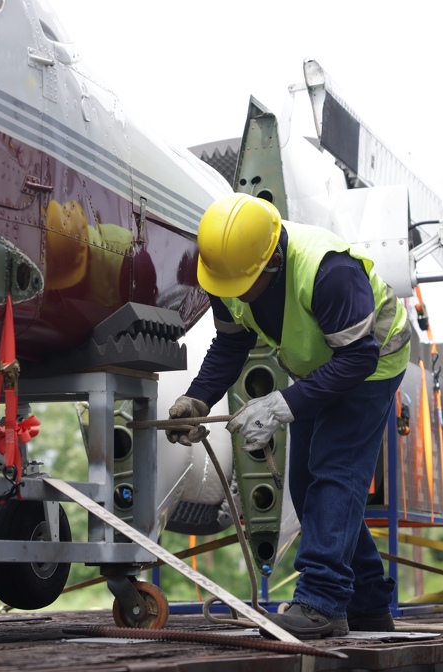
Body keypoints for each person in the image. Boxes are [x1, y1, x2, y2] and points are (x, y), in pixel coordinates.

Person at [167, 193, 411, 639]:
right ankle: (369, 603)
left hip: (372, 366)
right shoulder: (229, 273)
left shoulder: (329, 271)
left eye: (242, 283)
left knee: (335, 475)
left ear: (273, 261)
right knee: (304, 486)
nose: (232, 293)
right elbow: (229, 344)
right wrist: (198, 399)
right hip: (322, 368)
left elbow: (357, 359)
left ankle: (322, 602)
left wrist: (282, 405)